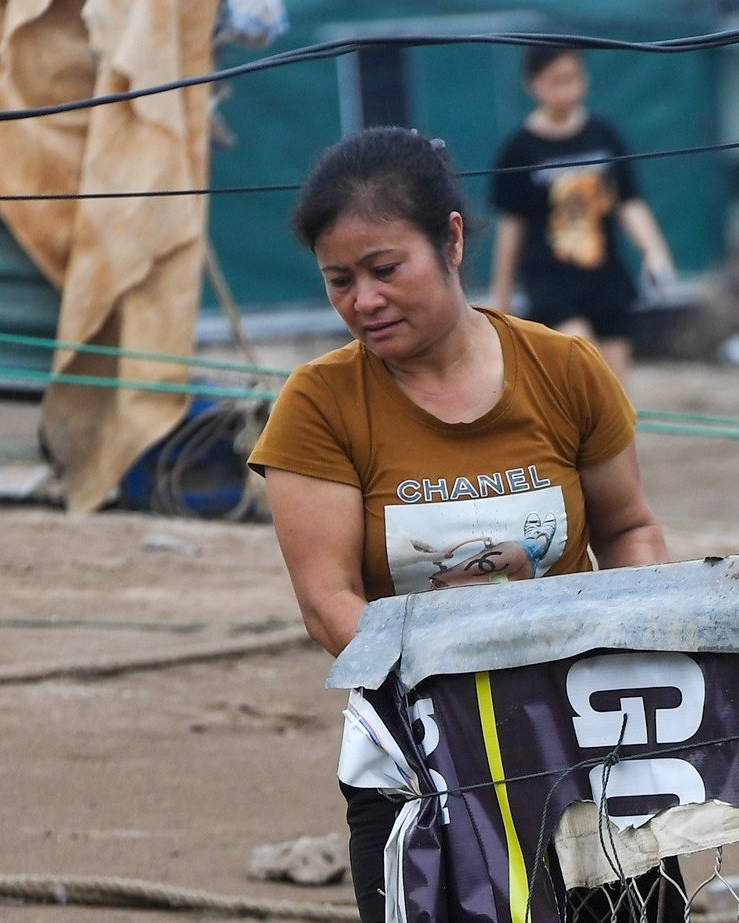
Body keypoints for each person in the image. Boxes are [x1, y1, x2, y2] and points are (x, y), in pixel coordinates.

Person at [249, 126, 669, 923]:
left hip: (593, 745)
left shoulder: (566, 370)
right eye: (339, 281)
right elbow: (328, 599)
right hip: (416, 763)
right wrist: (448, 699)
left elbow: (629, 529)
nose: (362, 301)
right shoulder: (318, 404)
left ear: (450, 239)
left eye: (384, 270)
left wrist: (628, 645)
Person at [488, 47, 677, 383]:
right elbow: (511, 228)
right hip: (552, 283)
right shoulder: (519, 149)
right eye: (555, 81)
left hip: (605, 277)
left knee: (618, 388)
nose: (567, 90)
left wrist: (655, 252)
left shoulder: (604, 135)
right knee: (587, 366)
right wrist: (500, 301)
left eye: (574, 79)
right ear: (532, 84)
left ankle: (620, 437)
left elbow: (629, 203)